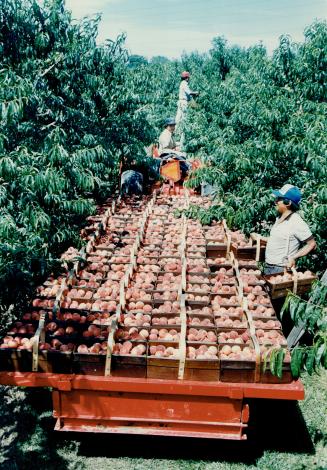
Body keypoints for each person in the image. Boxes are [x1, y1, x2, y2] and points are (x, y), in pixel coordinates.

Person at [252, 184, 316, 275]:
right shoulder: (279, 219)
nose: (276, 201)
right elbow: (276, 240)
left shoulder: (296, 222)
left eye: (279, 199)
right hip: (269, 266)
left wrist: (294, 257)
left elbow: (312, 244)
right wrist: (260, 237)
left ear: (288, 203)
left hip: (282, 269)